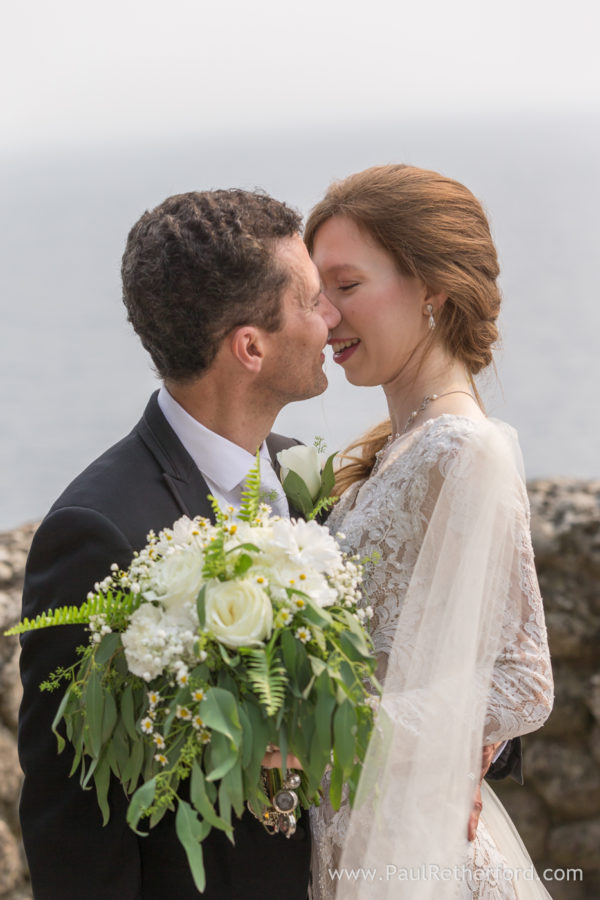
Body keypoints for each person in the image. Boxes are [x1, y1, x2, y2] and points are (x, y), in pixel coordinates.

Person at [18, 189, 341, 900]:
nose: (333, 320)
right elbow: (73, 825)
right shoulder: (98, 530)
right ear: (250, 347)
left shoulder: (309, 476)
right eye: (314, 302)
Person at [304, 165, 554, 899]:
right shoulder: (394, 447)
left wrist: (322, 735)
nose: (323, 317)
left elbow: (524, 682)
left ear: (431, 289)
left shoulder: (464, 449)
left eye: (347, 288)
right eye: (317, 293)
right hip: (362, 839)